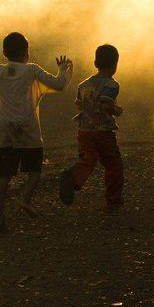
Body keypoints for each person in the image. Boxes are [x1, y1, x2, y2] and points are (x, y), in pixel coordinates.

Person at [0, 33, 72, 233]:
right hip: (28, 130)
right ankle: (25, 199)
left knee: (4, 177)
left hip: (4, 132)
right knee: (34, 171)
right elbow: (58, 84)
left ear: (4, 53)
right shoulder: (32, 70)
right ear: (26, 53)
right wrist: (62, 69)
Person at [60, 44, 124, 212]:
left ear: (95, 63)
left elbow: (79, 105)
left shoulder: (83, 85)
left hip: (84, 130)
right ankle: (113, 202)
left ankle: (74, 178)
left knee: (89, 158)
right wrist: (117, 110)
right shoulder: (112, 85)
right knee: (113, 164)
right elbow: (106, 106)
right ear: (115, 65)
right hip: (102, 131)